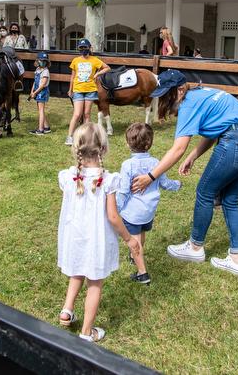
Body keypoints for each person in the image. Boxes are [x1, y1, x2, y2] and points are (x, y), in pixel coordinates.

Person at [130, 70, 238, 278]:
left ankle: (195, 247)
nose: (165, 100)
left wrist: (150, 177)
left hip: (237, 141)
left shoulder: (188, 104)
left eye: (167, 95)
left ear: (181, 89)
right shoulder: (203, 94)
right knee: (230, 198)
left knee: (205, 192)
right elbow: (218, 128)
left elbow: (177, 149)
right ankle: (237, 259)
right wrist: (195, 155)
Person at [57, 122, 141, 342]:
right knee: (94, 283)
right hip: (96, 240)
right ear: (103, 149)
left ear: (76, 148)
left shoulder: (68, 176)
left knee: (77, 270)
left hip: (74, 236)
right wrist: (129, 239)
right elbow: (113, 217)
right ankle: (86, 332)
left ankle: (67, 310)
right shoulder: (108, 181)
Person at [116, 123, 181, 284]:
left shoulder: (127, 165)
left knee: (134, 240)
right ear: (150, 143)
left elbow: (123, 190)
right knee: (141, 233)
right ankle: (134, 256)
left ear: (127, 143)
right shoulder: (156, 163)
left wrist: (116, 208)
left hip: (132, 212)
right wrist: (178, 185)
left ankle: (142, 273)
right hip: (149, 211)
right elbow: (165, 183)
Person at [65, 39, 110, 146]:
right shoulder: (75, 60)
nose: (83, 49)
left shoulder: (95, 60)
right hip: (78, 90)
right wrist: (70, 89)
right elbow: (73, 76)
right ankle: (70, 136)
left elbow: (107, 68)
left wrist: (96, 74)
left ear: (89, 48)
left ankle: (87, 137)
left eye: (85, 47)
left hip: (90, 90)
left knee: (86, 114)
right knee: (77, 114)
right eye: (81, 48)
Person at [29, 51, 52, 135]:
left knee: (41, 110)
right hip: (36, 91)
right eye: (41, 60)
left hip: (42, 92)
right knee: (40, 109)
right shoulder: (38, 70)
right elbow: (35, 82)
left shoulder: (45, 71)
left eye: (45, 61)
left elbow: (42, 85)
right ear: (37, 61)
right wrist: (32, 91)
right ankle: (46, 127)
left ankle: (40, 129)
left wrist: (35, 92)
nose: (43, 62)